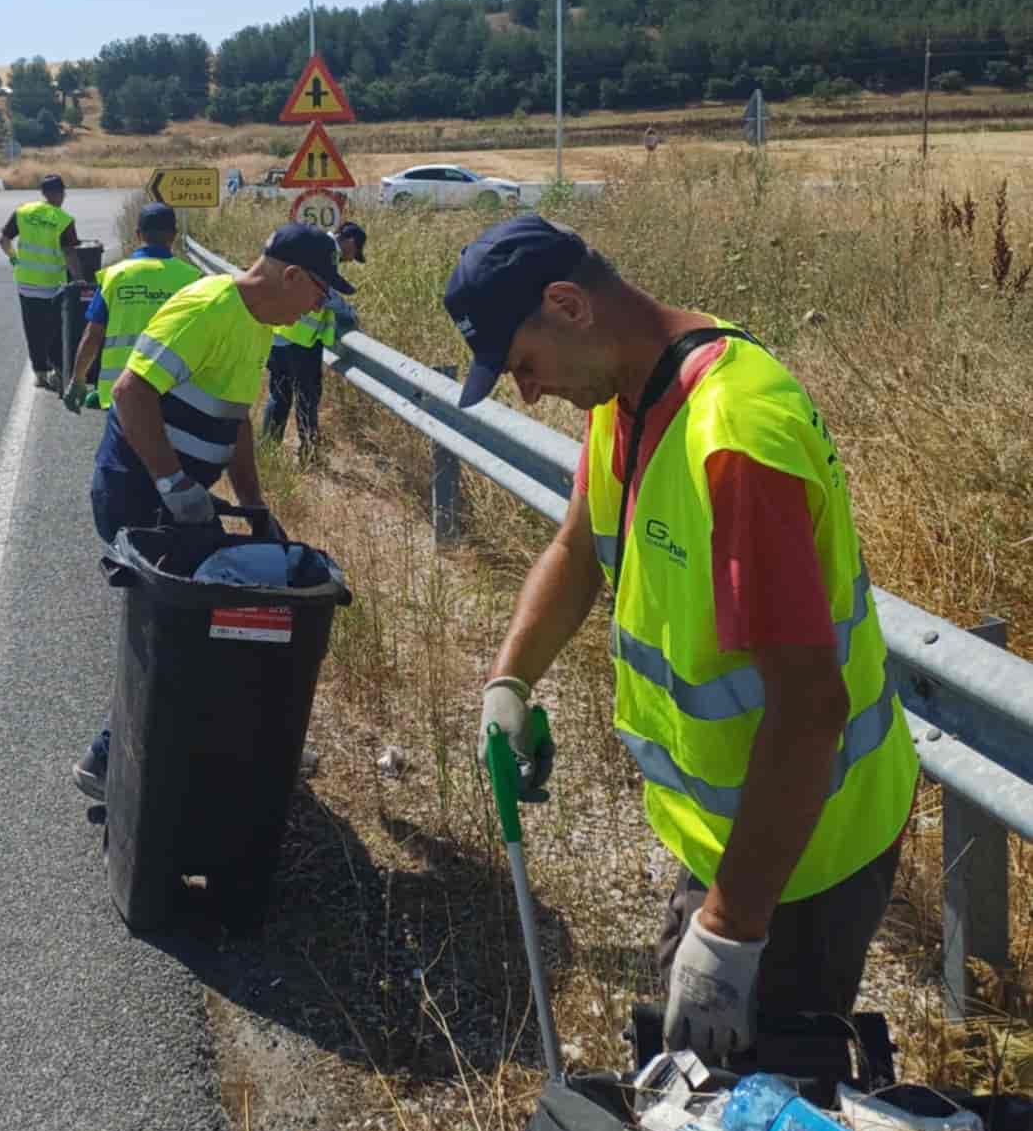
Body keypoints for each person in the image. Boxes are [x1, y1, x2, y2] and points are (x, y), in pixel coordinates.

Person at [445, 213, 918, 1065]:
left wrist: (732, 930)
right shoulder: (630, 390)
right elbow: (575, 550)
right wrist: (509, 681)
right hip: (734, 828)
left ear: (568, 305)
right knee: (691, 1078)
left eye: (523, 365)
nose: (529, 393)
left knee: (746, 1112)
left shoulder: (732, 441)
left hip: (805, 851)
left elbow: (810, 711)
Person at [73, 222, 355, 798]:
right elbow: (130, 392)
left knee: (202, 629)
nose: (318, 307)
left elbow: (235, 422)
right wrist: (174, 482)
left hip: (178, 498)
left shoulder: (257, 324)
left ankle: (210, 748)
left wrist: (254, 504)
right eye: (320, 292)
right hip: (138, 492)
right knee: (172, 636)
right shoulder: (208, 308)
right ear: (292, 276)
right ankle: (107, 761)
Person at [64, 202, 201, 412]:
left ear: (138, 234)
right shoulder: (191, 279)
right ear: (174, 235)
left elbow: (93, 335)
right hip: (174, 390)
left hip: (121, 392)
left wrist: (78, 380)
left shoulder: (115, 276)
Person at [261, 220, 366, 457]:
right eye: (355, 253)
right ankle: (309, 452)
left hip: (279, 335)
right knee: (306, 397)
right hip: (302, 341)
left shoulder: (311, 246)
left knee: (279, 395)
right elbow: (326, 296)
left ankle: (267, 450)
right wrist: (349, 313)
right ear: (350, 241)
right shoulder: (325, 253)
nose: (351, 259)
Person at [0, 174, 83, 390]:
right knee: (55, 330)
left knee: (33, 329)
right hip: (52, 286)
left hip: (25, 283)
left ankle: (40, 374)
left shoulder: (23, 212)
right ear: (61, 194)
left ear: (43, 193)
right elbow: (69, 253)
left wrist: (14, 259)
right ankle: (58, 372)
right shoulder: (63, 220)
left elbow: (4, 240)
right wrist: (79, 279)